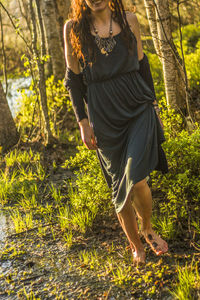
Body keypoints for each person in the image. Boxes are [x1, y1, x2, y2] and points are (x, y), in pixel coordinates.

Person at [63, 0, 169, 265]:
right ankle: (136, 246)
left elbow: (143, 66)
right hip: (104, 115)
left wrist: (154, 107)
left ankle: (147, 228)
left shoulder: (130, 20)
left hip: (137, 107)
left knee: (137, 179)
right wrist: (83, 122)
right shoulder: (73, 29)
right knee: (119, 188)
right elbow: (73, 80)